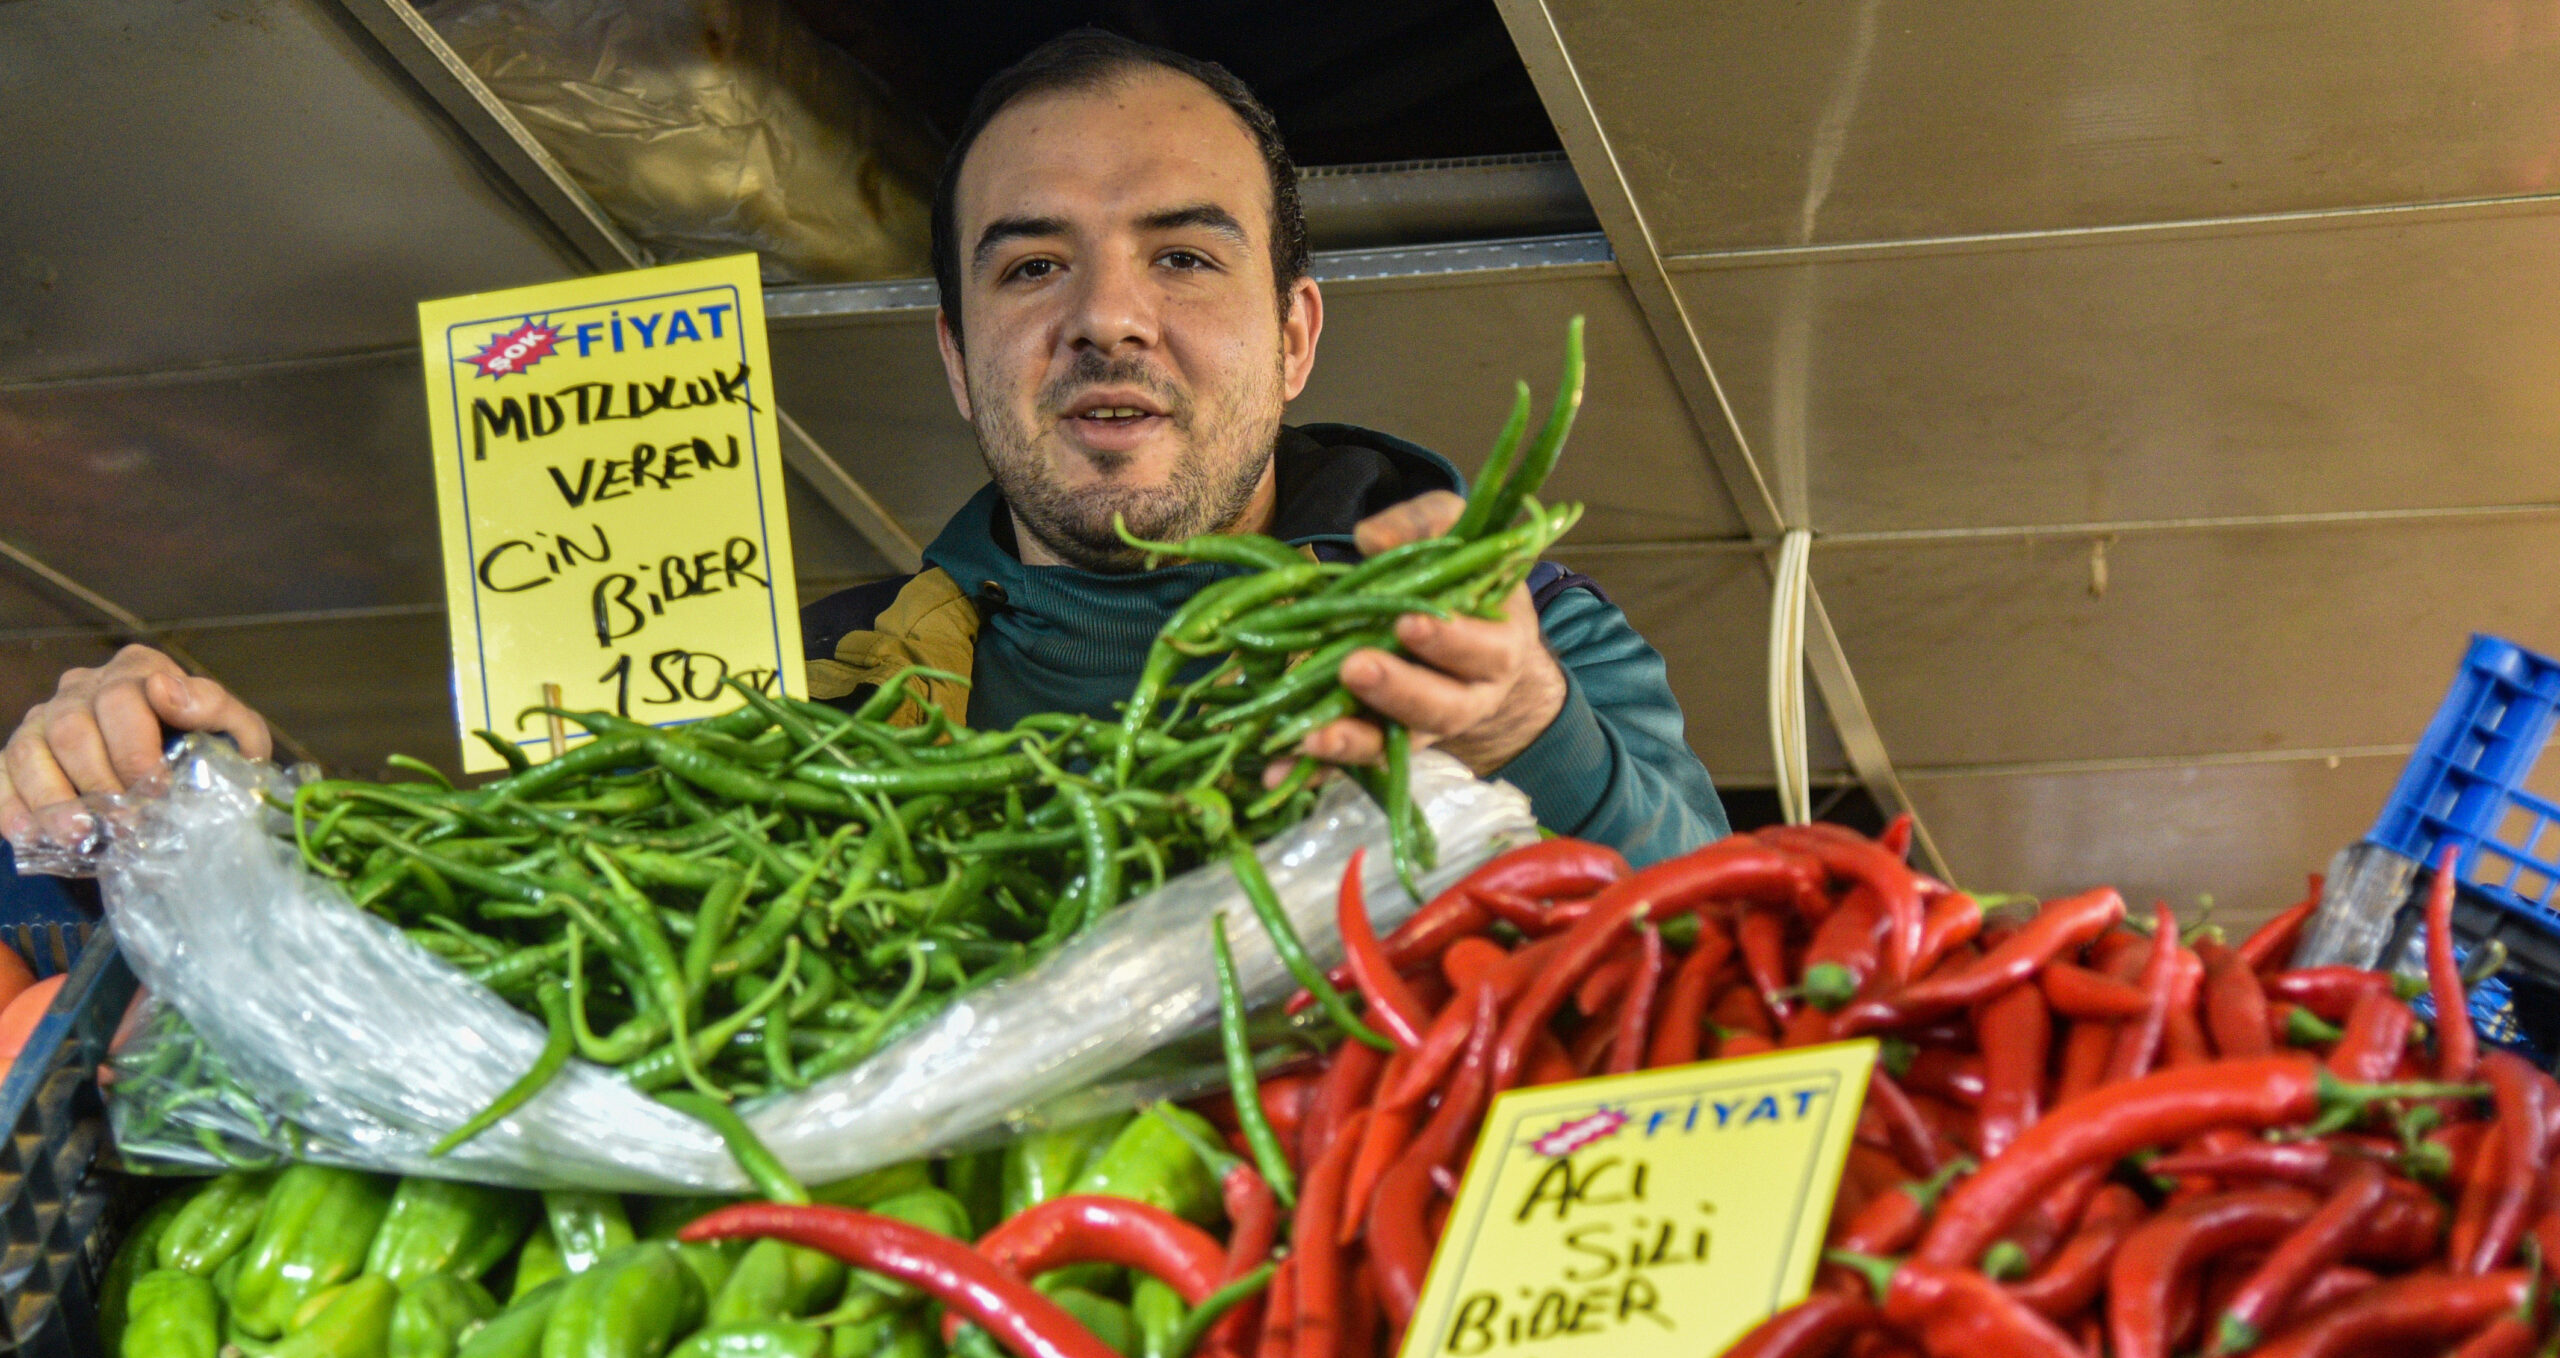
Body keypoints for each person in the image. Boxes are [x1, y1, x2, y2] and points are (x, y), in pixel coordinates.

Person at [0, 29, 1725, 866]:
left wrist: (1531, 737)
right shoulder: (797, 683)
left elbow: (1738, 956)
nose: (1109, 316)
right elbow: (535, 923)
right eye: (1032, 265)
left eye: (1185, 256)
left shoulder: (1502, 639)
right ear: (961, 359)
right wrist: (231, 814)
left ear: (1295, 330)